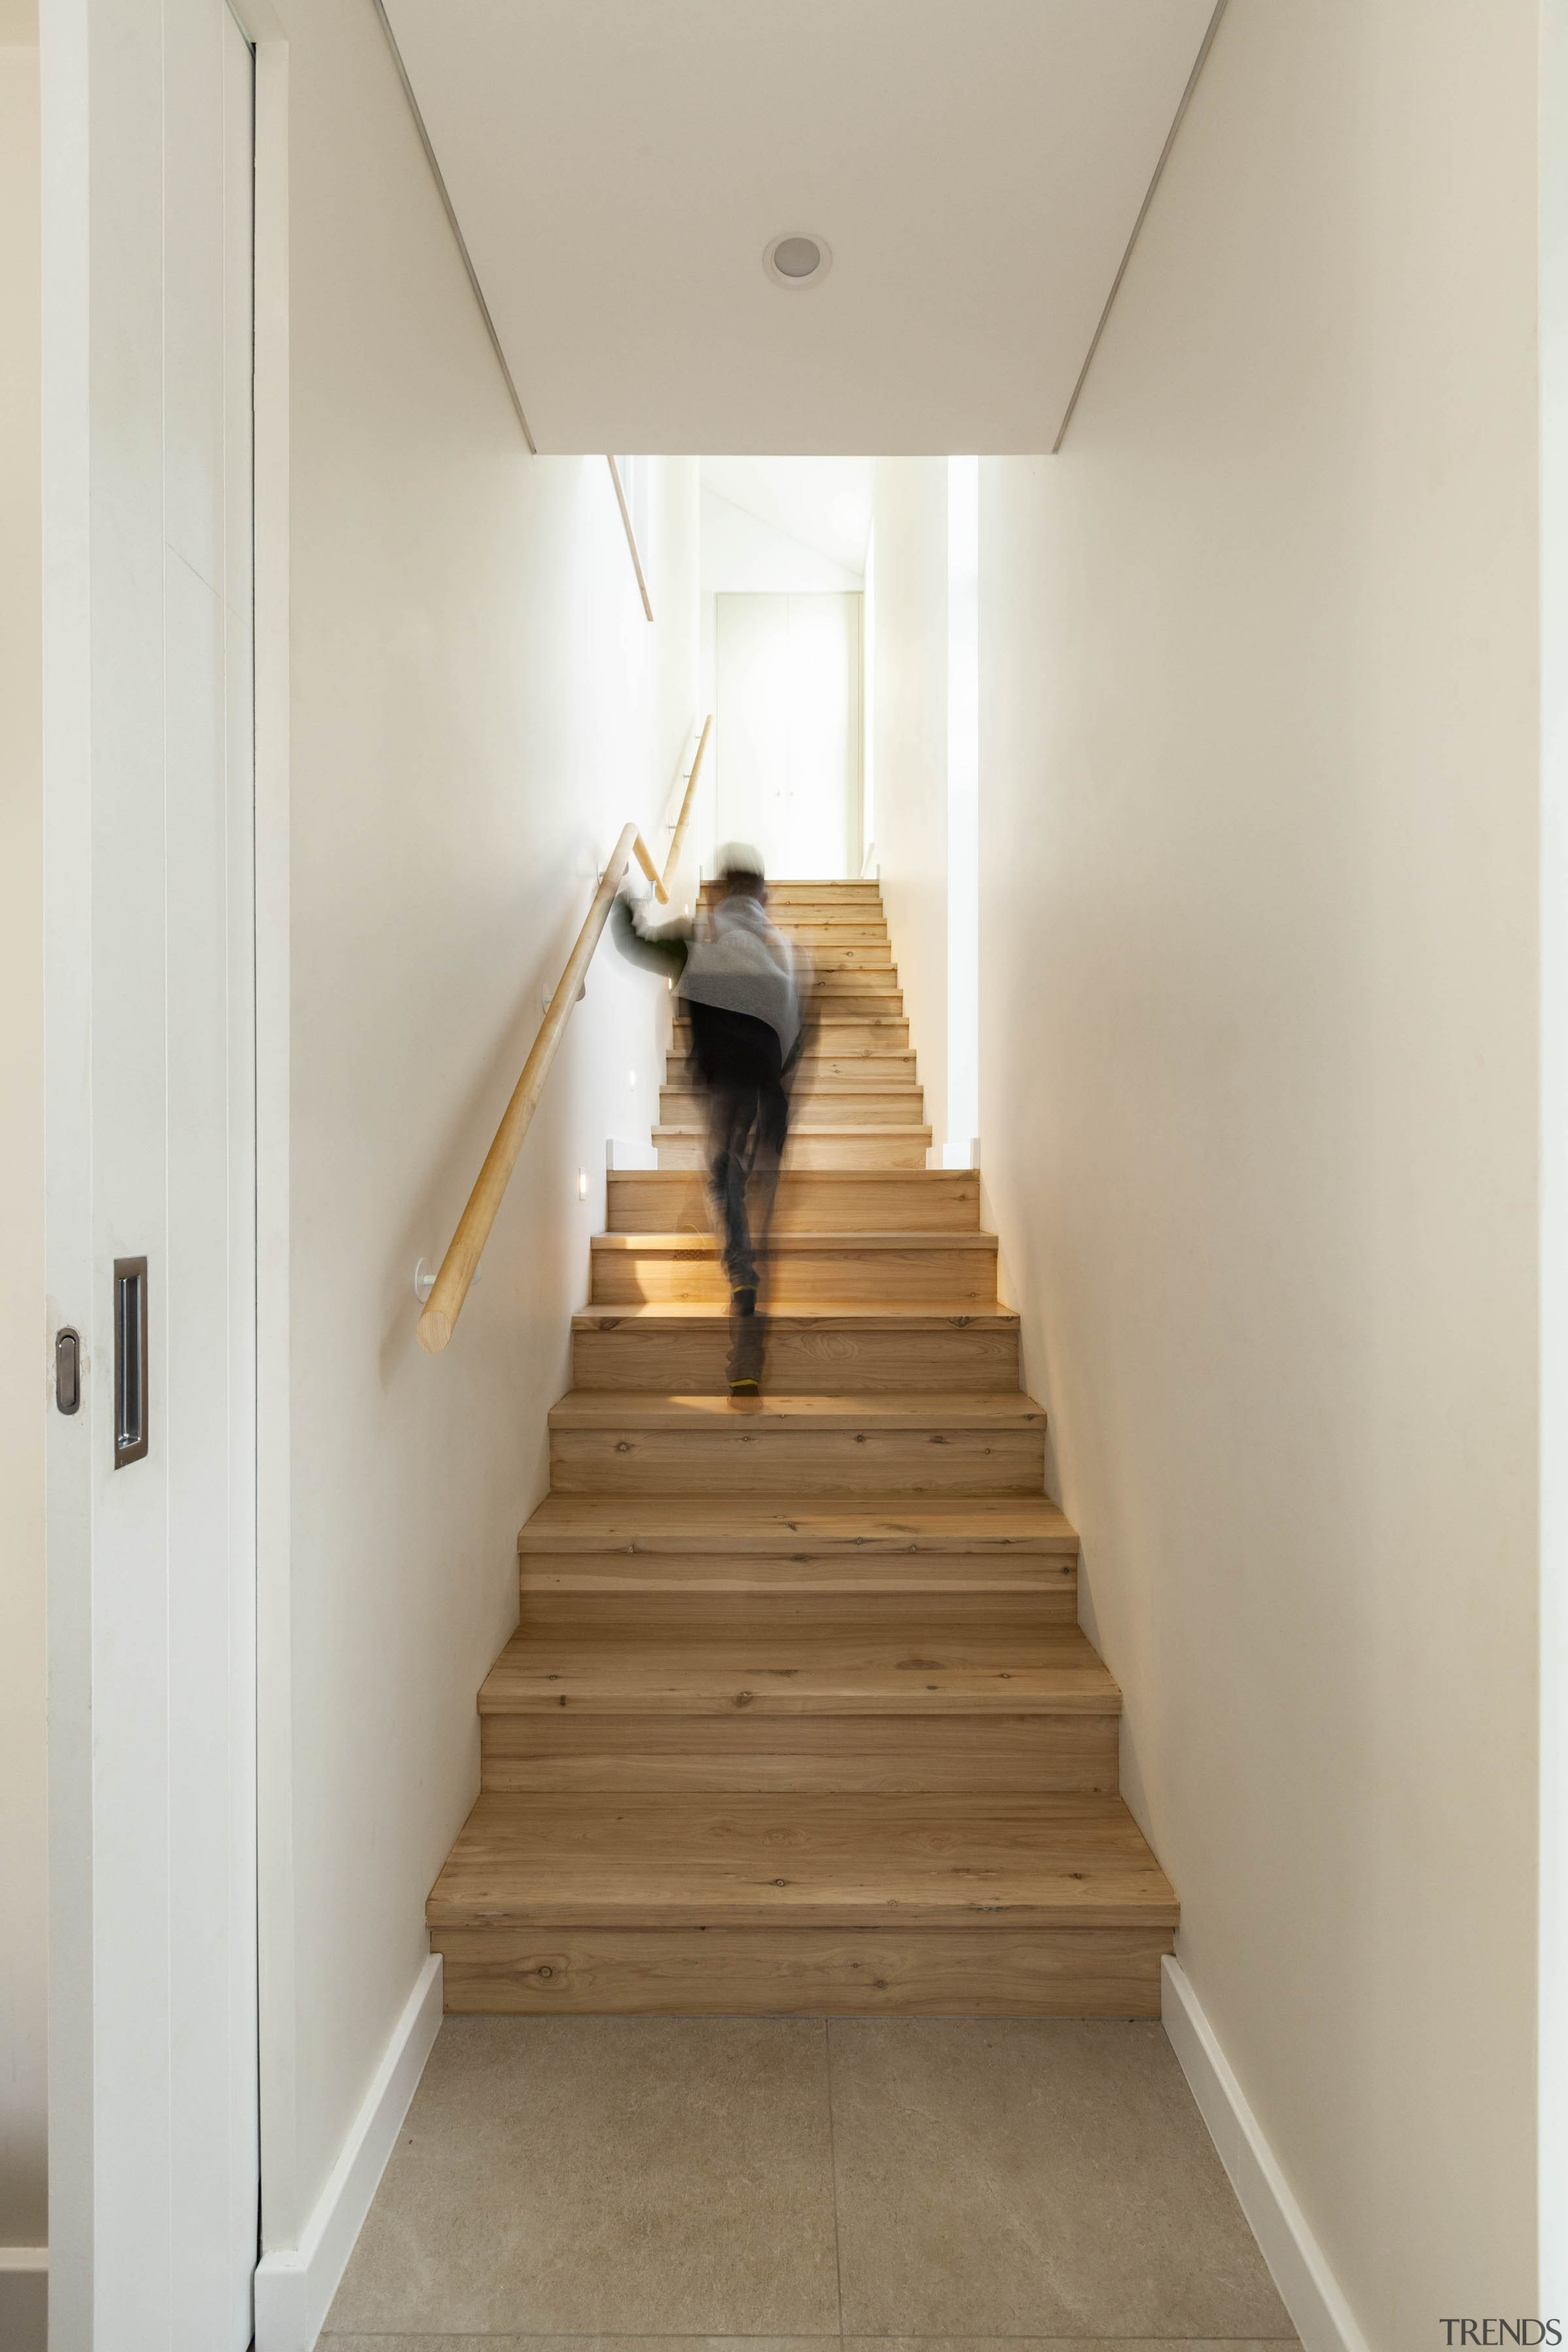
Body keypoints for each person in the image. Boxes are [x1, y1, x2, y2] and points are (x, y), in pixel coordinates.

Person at [611, 843, 809, 1398]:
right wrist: (782, 1092)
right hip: (768, 1074)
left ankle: (740, 1269)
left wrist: (619, 895)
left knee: (726, 1176)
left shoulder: (698, 934)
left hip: (723, 1069)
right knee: (758, 1190)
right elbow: (801, 1025)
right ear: (765, 898)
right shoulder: (786, 951)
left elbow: (635, 942)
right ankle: (749, 1323)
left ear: (719, 893)